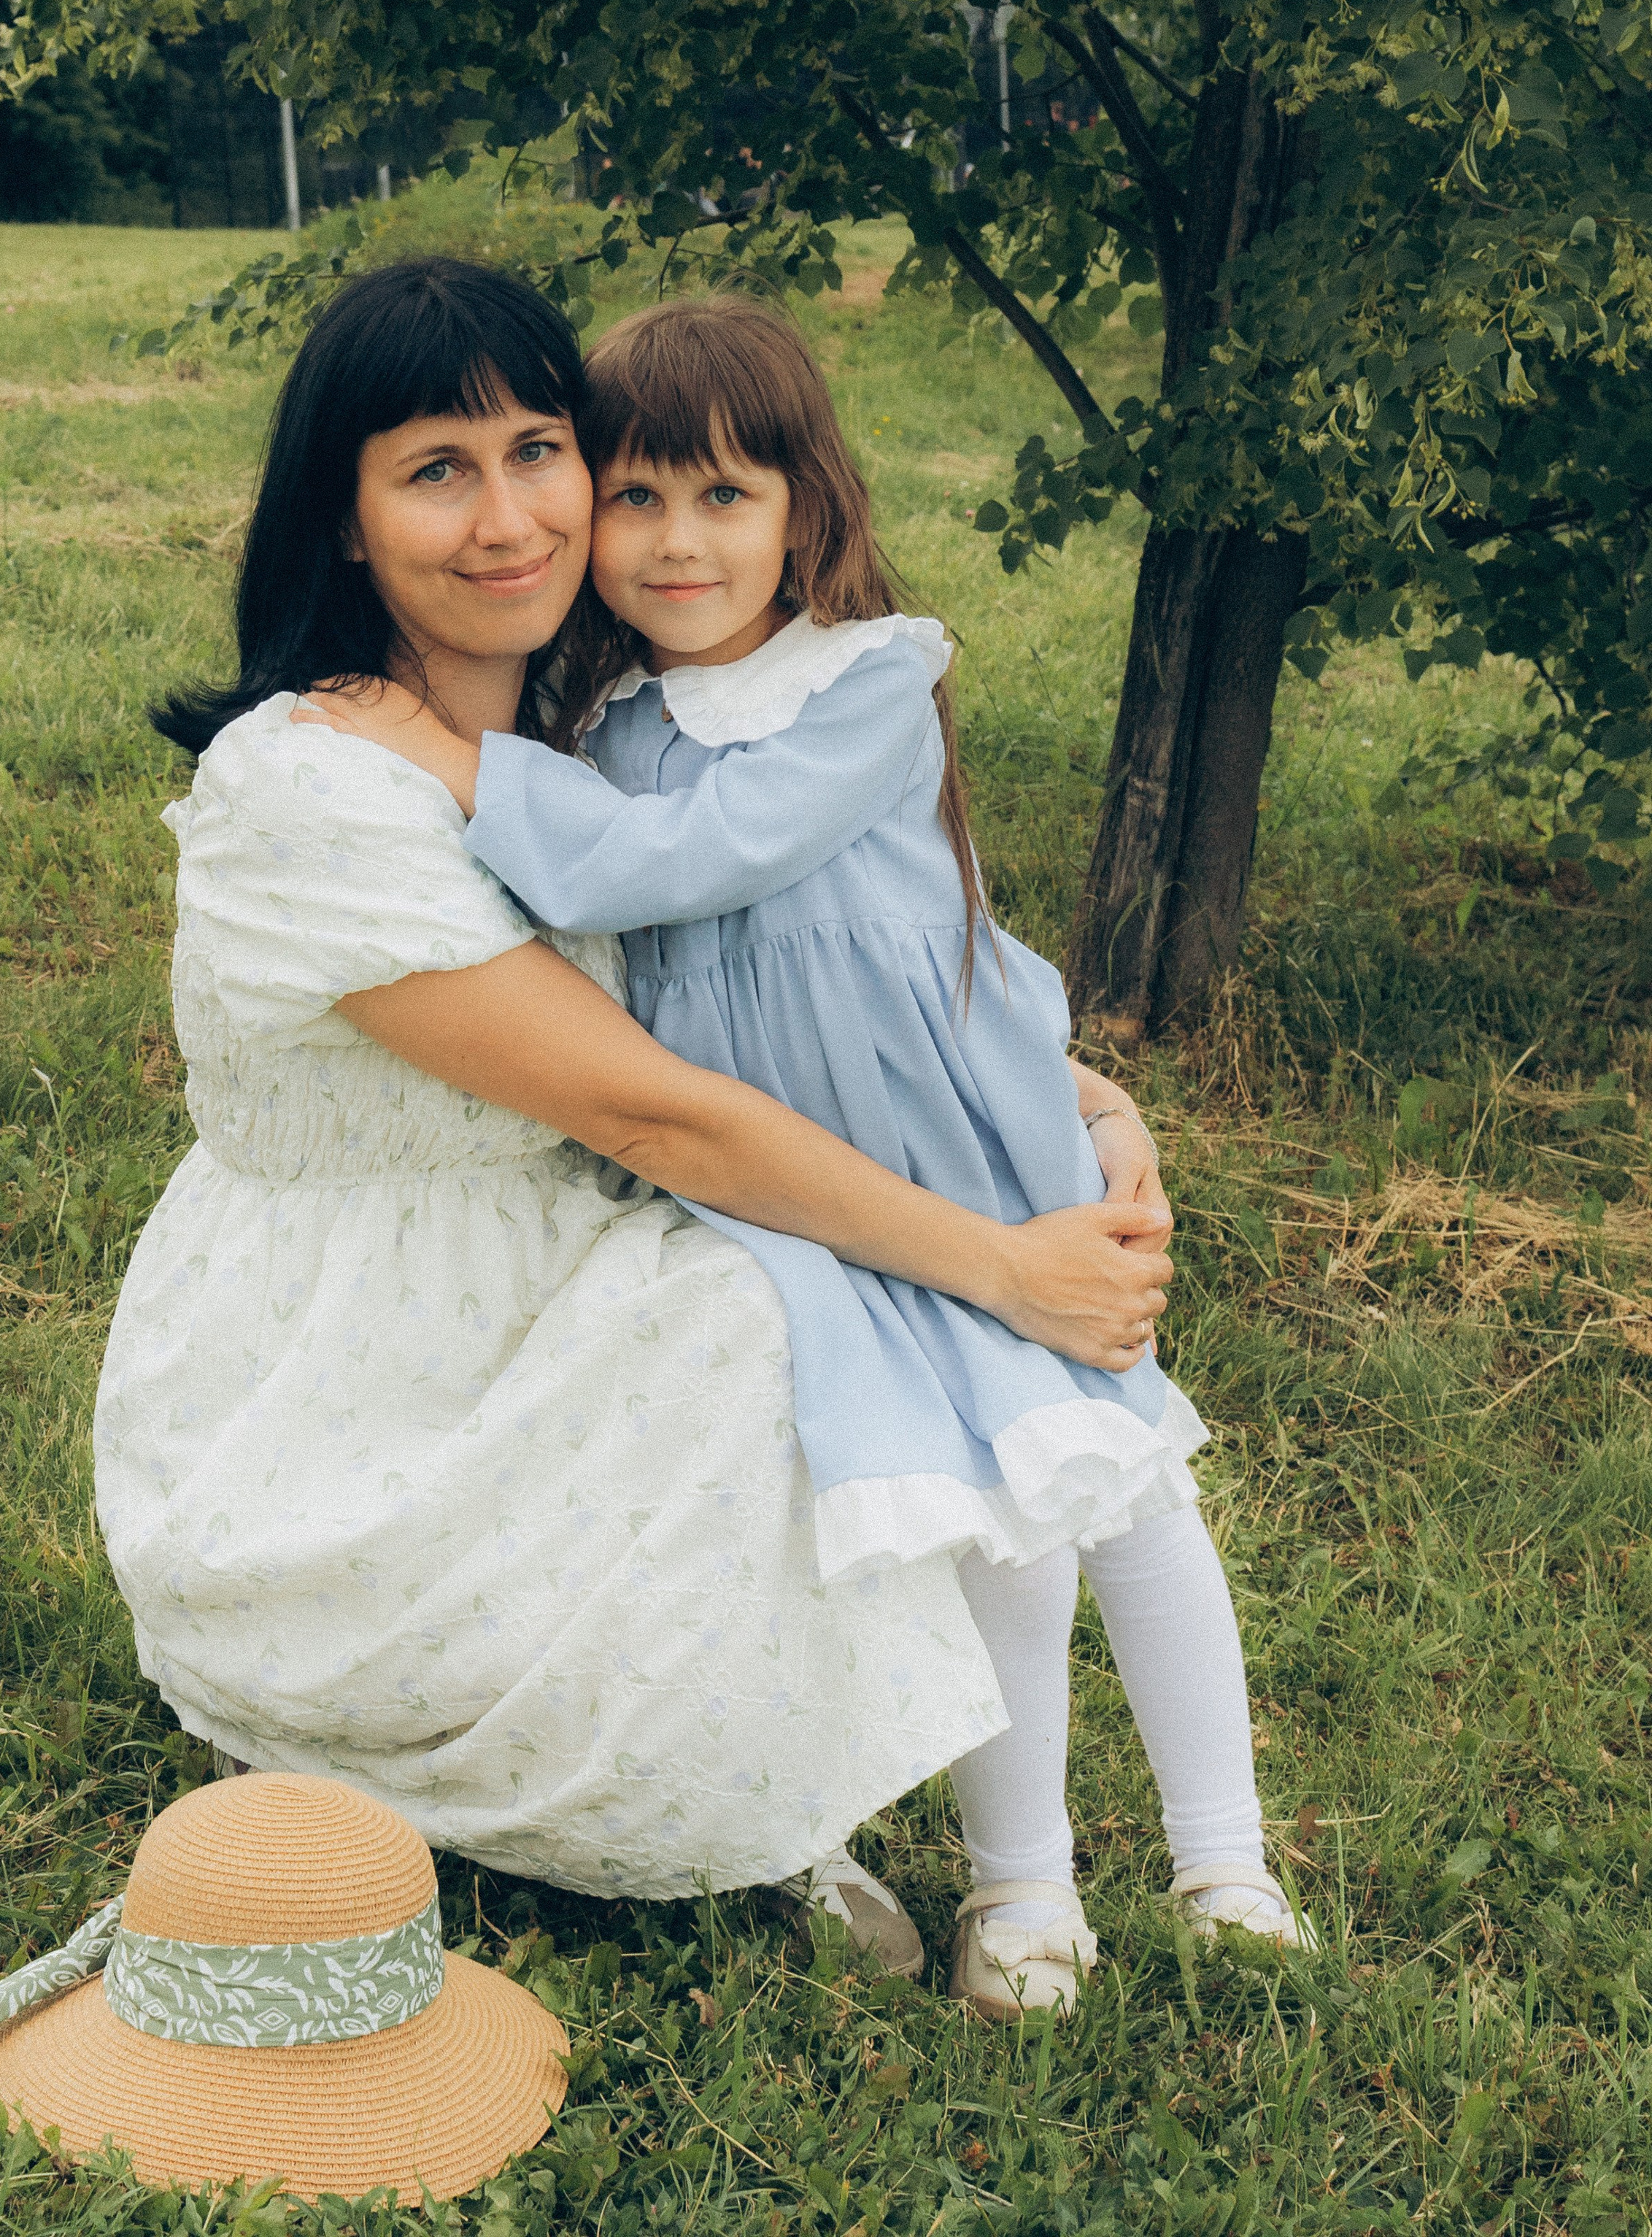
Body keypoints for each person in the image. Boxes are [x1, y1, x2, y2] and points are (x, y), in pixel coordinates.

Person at [96, 257, 1172, 1974]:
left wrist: (1047, 1078)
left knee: (793, 1306)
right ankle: (427, 1723)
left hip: (566, 1267)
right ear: (343, 517)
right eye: (435, 470)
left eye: (539, 450)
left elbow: (814, 957)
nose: (510, 514)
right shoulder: (310, 788)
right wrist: (1003, 1267)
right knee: (803, 1310)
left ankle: (763, 1786)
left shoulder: (599, 733)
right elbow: (662, 1112)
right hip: (354, 1376)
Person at [393, 296, 1314, 2020]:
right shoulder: (604, 739)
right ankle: (1023, 1893)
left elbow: (678, 870)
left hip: (973, 1154)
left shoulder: (866, 683)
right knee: (994, 1539)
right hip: (811, 1204)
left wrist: (451, 766)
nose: (678, 542)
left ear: (806, 509)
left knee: (1126, 1502)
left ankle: (1224, 1861)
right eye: (640, 498)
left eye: (725, 498)